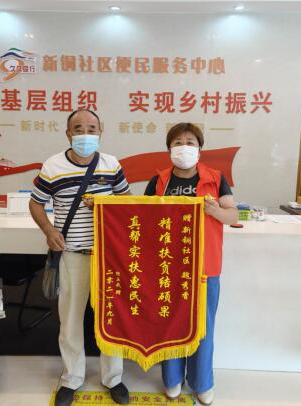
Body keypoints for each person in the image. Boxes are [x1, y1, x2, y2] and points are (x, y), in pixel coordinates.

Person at [29, 109, 131, 406]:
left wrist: (103, 204)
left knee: (111, 319)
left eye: (91, 128)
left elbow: (127, 201)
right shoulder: (53, 166)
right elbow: (36, 203)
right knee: (71, 320)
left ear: (100, 132)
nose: (85, 134)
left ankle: (113, 378)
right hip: (72, 254)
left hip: (109, 257)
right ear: (68, 133)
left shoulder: (111, 164)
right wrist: (48, 230)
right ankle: (72, 377)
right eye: (78, 128)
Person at [144, 122, 238, 405]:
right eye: (177, 143)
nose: (183, 147)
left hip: (205, 267)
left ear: (199, 149)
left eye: (190, 142)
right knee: (169, 324)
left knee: (203, 327)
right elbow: (143, 217)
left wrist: (216, 210)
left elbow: (233, 215)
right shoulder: (159, 181)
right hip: (168, 266)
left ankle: (202, 382)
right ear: (168, 149)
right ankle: (172, 379)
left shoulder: (216, 178)